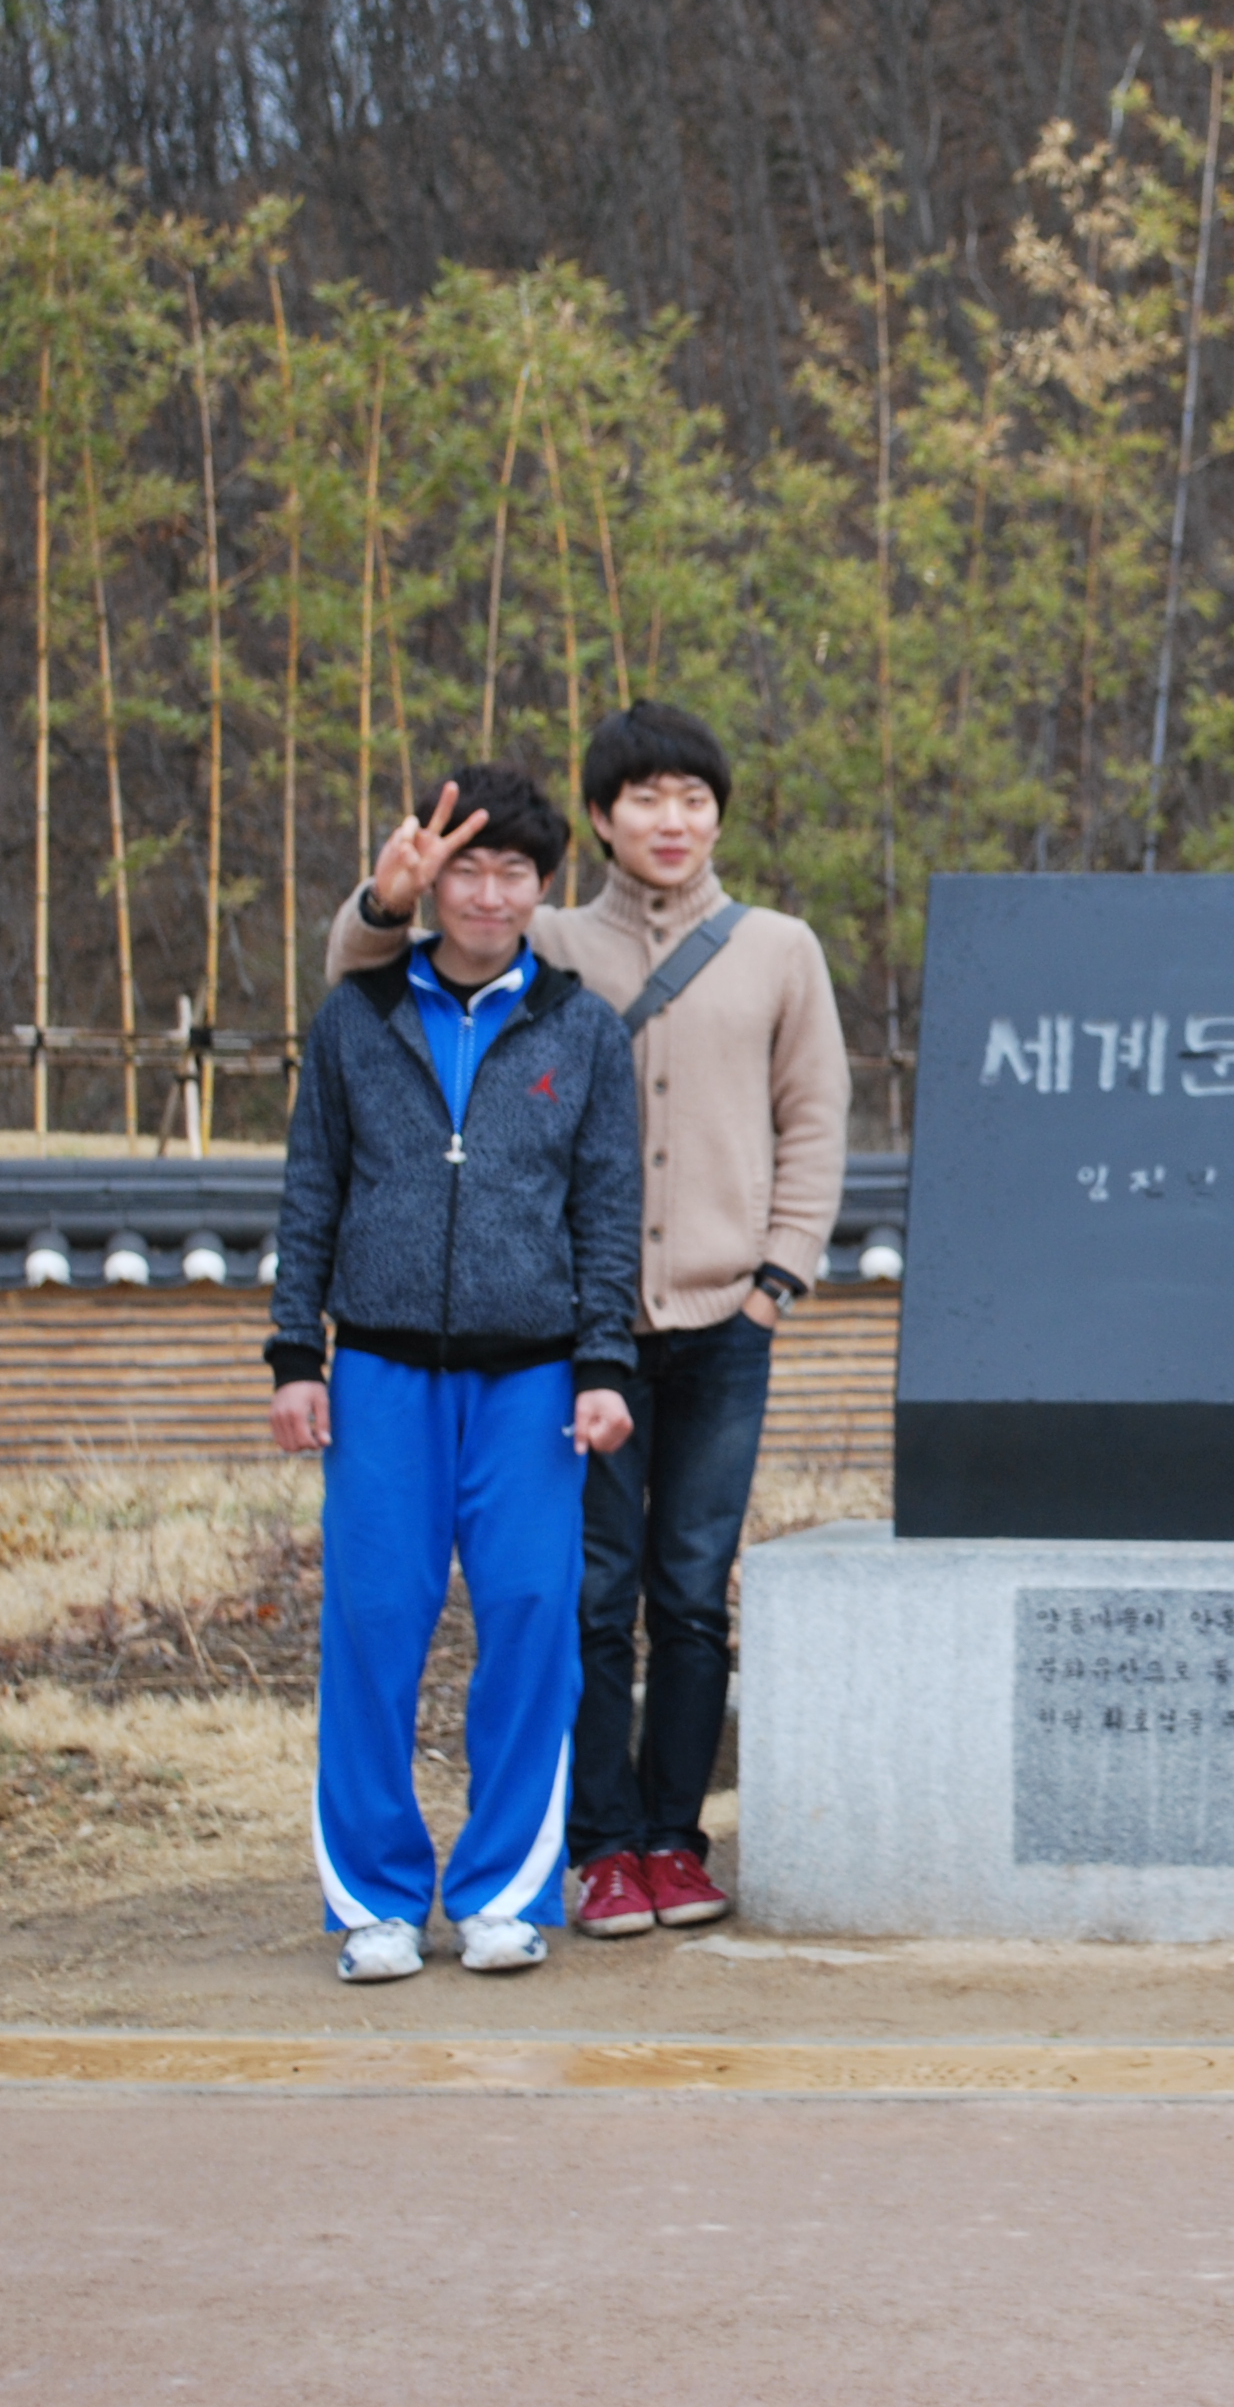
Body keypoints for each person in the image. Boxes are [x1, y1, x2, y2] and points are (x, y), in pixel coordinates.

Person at [335, 704, 850, 1938]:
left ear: (718, 816)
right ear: (603, 820)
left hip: (725, 1320)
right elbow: (364, 991)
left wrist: (775, 1280)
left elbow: (814, 1117)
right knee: (589, 1594)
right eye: (644, 799)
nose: (672, 822)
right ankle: (600, 1847)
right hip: (581, 1337)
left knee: (692, 1591)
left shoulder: (779, 949)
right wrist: (384, 899)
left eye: (693, 800)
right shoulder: (547, 934)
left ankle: (676, 1839)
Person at [268, 761, 642, 1983]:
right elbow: (312, 1187)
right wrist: (294, 1353)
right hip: (379, 1371)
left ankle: (501, 1892)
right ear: (429, 882)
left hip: (532, 1381)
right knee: (374, 1623)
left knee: (533, 1619)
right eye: (466, 871)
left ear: (545, 886)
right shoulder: (357, 1017)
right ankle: (374, 1900)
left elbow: (605, 1211)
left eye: (513, 872)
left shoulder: (583, 1030)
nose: (488, 895)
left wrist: (603, 1364)